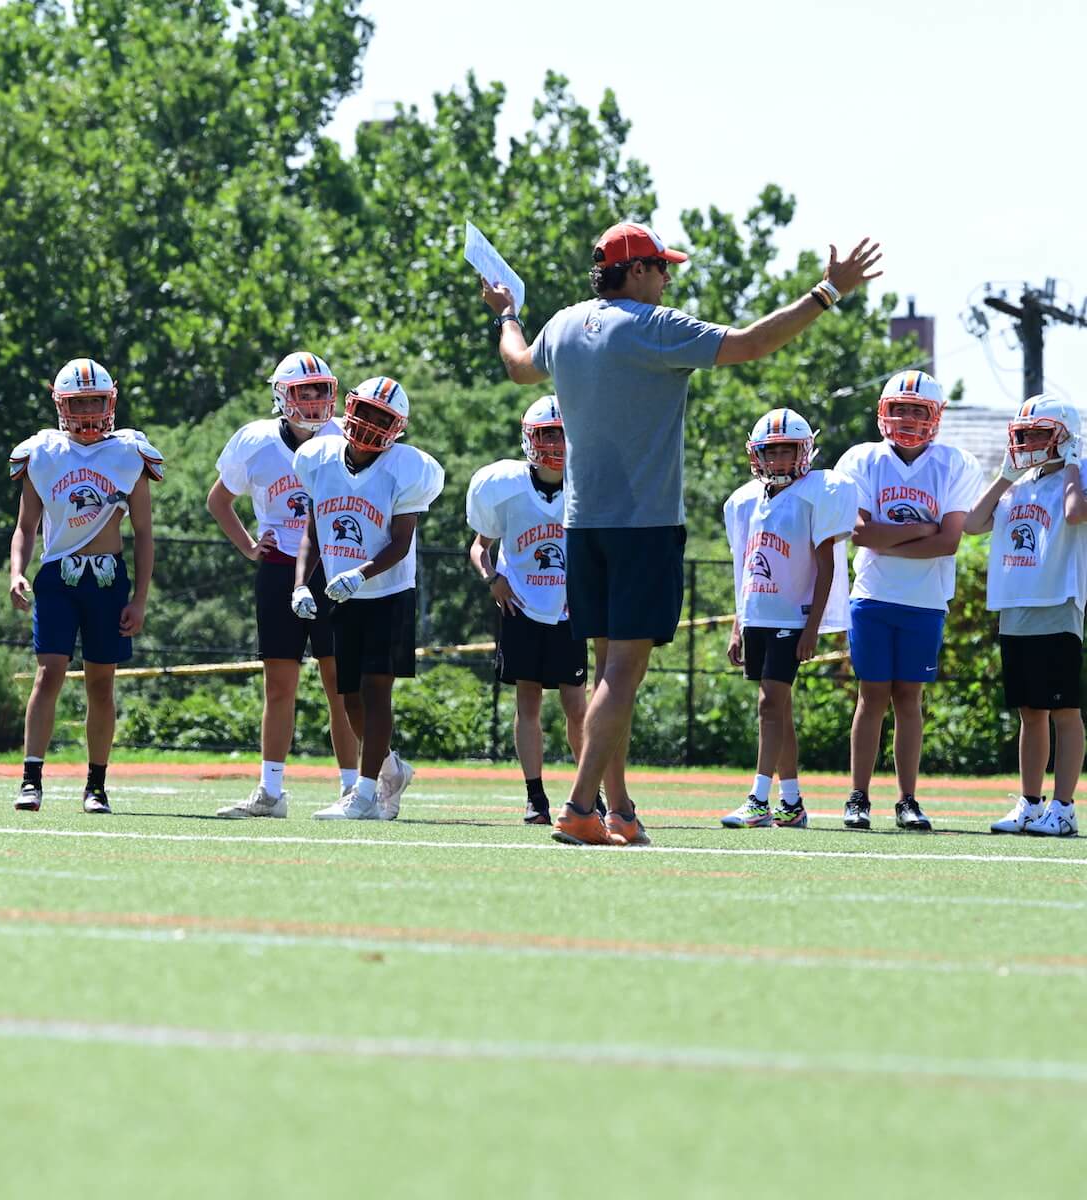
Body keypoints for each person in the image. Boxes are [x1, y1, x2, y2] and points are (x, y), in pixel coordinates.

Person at [484, 221, 882, 847]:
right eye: (662, 267)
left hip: (582, 526)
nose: (668, 278)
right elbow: (751, 344)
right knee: (622, 673)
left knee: (606, 670)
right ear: (636, 269)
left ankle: (618, 810)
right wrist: (827, 292)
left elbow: (517, 368)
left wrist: (507, 313)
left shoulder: (560, 325)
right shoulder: (654, 327)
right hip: (643, 528)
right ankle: (581, 806)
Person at [206, 352, 359, 818]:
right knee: (279, 685)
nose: (313, 401)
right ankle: (271, 791)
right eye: (303, 391)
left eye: (320, 391)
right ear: (281, 395)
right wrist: (252, 547)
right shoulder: (254, 441)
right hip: (278, 567)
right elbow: (219, 501)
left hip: (332, 568)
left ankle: (354, 789)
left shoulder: (344, 437)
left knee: (341, 684)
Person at [9, 358, 162, 814]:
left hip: (108, 577)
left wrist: (139, 599)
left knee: (101, 683)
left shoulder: (129, 453)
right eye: (81, 402)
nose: (91, 410)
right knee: (49, 672)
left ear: (111, 400)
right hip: (59, 575)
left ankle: (96, 784)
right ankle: (31, 778)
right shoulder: (43, 452)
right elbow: (25, 526)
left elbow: (144, 533)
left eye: (97, 400)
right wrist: (17, 569)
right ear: (62, 406)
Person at [833, 370, 984, 831]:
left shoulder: (954, 463)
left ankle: (907, 799)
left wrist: (890, 537)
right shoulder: (862, 459)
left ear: (935, 417)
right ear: (883, 411)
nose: (907, 417)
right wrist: (921, 528)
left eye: (918, 409)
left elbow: (950, 543)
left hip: (925, 599)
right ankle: (857, 796)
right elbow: (861, 533)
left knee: (909, 699)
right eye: (899, 407)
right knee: (871, 696)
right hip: (874, 595)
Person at [293, 376, 444, 820]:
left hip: (388, 592)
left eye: (383, 418)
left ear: (397, 427)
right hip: (343, 594)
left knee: (377, 692)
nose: (371, 423)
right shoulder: (318, 458)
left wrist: (360, 573)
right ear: (350, 409)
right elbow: (314, 531)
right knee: (349, 697)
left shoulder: (407, 468)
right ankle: (391, 768)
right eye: (367, 412)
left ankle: (363, 795)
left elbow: (400, 543)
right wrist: (302, 583)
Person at [719, 408, 854, 829]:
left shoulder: (818, 491)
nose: (778, 460)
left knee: (769, 704)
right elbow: (743, 566)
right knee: (779, 708)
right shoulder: (744, 501)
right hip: (759, 612)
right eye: (771, 451)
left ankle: (759, 799)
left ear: (805, 450)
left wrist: (812, 626)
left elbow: (827, 565)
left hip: (792, 617)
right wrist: (738, 624)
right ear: (757, 455)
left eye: (786, 450)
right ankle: (791, 802)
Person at [966, 395, 1086, 838]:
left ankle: (1065, 807)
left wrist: (1073, 464)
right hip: (1015, 605)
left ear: (1064, 437)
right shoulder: (1016, 483)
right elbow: (973, 524)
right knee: (1029, 712)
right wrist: (1003, 477)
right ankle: (1031, 803)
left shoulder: (1081, 473)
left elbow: (1075, 514)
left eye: (1038, 433)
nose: (1028, 442)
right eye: (1024, 434)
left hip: (1057, 603)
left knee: (1064, 711)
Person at [465, 394, 585, 825]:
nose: (555, 444)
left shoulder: (586, 484)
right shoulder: (503, 485)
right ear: (529, 439)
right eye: (547, 434)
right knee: (528, 703)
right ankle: (536, 797)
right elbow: (480, 546)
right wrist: (491, 578)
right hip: (520, 607)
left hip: (569, 610)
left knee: (577, 706)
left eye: (561, 434)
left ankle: (587, 793)